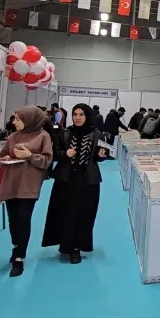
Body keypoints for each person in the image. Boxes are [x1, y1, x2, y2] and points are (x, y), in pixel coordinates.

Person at [42, 104, 106, 264]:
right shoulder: (64, 133)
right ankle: (66, 246)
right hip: (66, 179)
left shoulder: (97, 134)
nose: (77, 117)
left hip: (88, 181)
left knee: (85, 214)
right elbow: (54, 152)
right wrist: (65, 154)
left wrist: (101, 155)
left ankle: (77, 246)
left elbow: (100, 157)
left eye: (81, 115)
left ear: (87, 116)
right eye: (75, 114)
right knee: (66, 213)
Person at [0, 106, 53, 277]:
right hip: (11, 182)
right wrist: (6, 158)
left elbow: (46, 160)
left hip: (29, 183)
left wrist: (29, 156)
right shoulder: (13, 136)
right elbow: (3, 154)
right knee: (13, 218)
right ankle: (16, 246)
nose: (14, 122)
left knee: (24, 218)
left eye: (18, 119)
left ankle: (20, 256)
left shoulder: (43, 136)